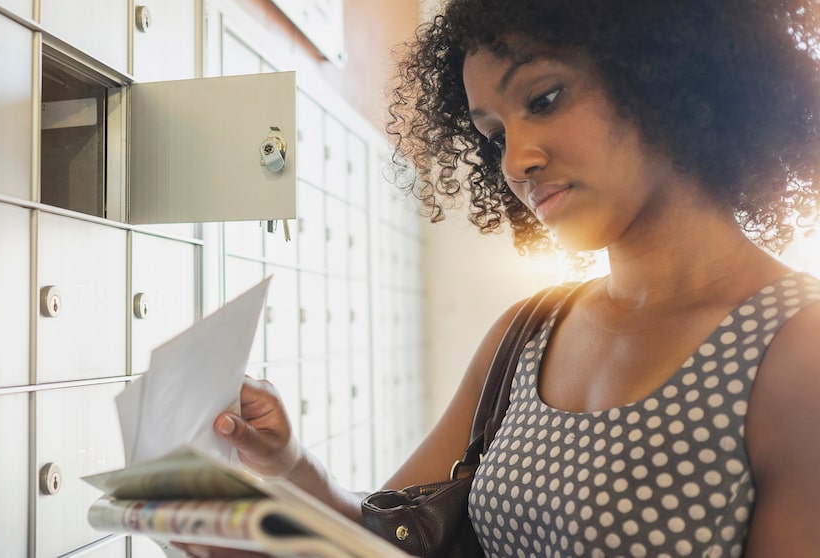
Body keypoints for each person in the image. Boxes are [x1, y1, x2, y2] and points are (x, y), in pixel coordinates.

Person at [182, 0, 820, 556]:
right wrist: (289, 470)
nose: (518, 160)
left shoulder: (798, 349)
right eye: (493, 136)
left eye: (544, 99)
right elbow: (394, 535)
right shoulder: (529, 331)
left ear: (664, 72)